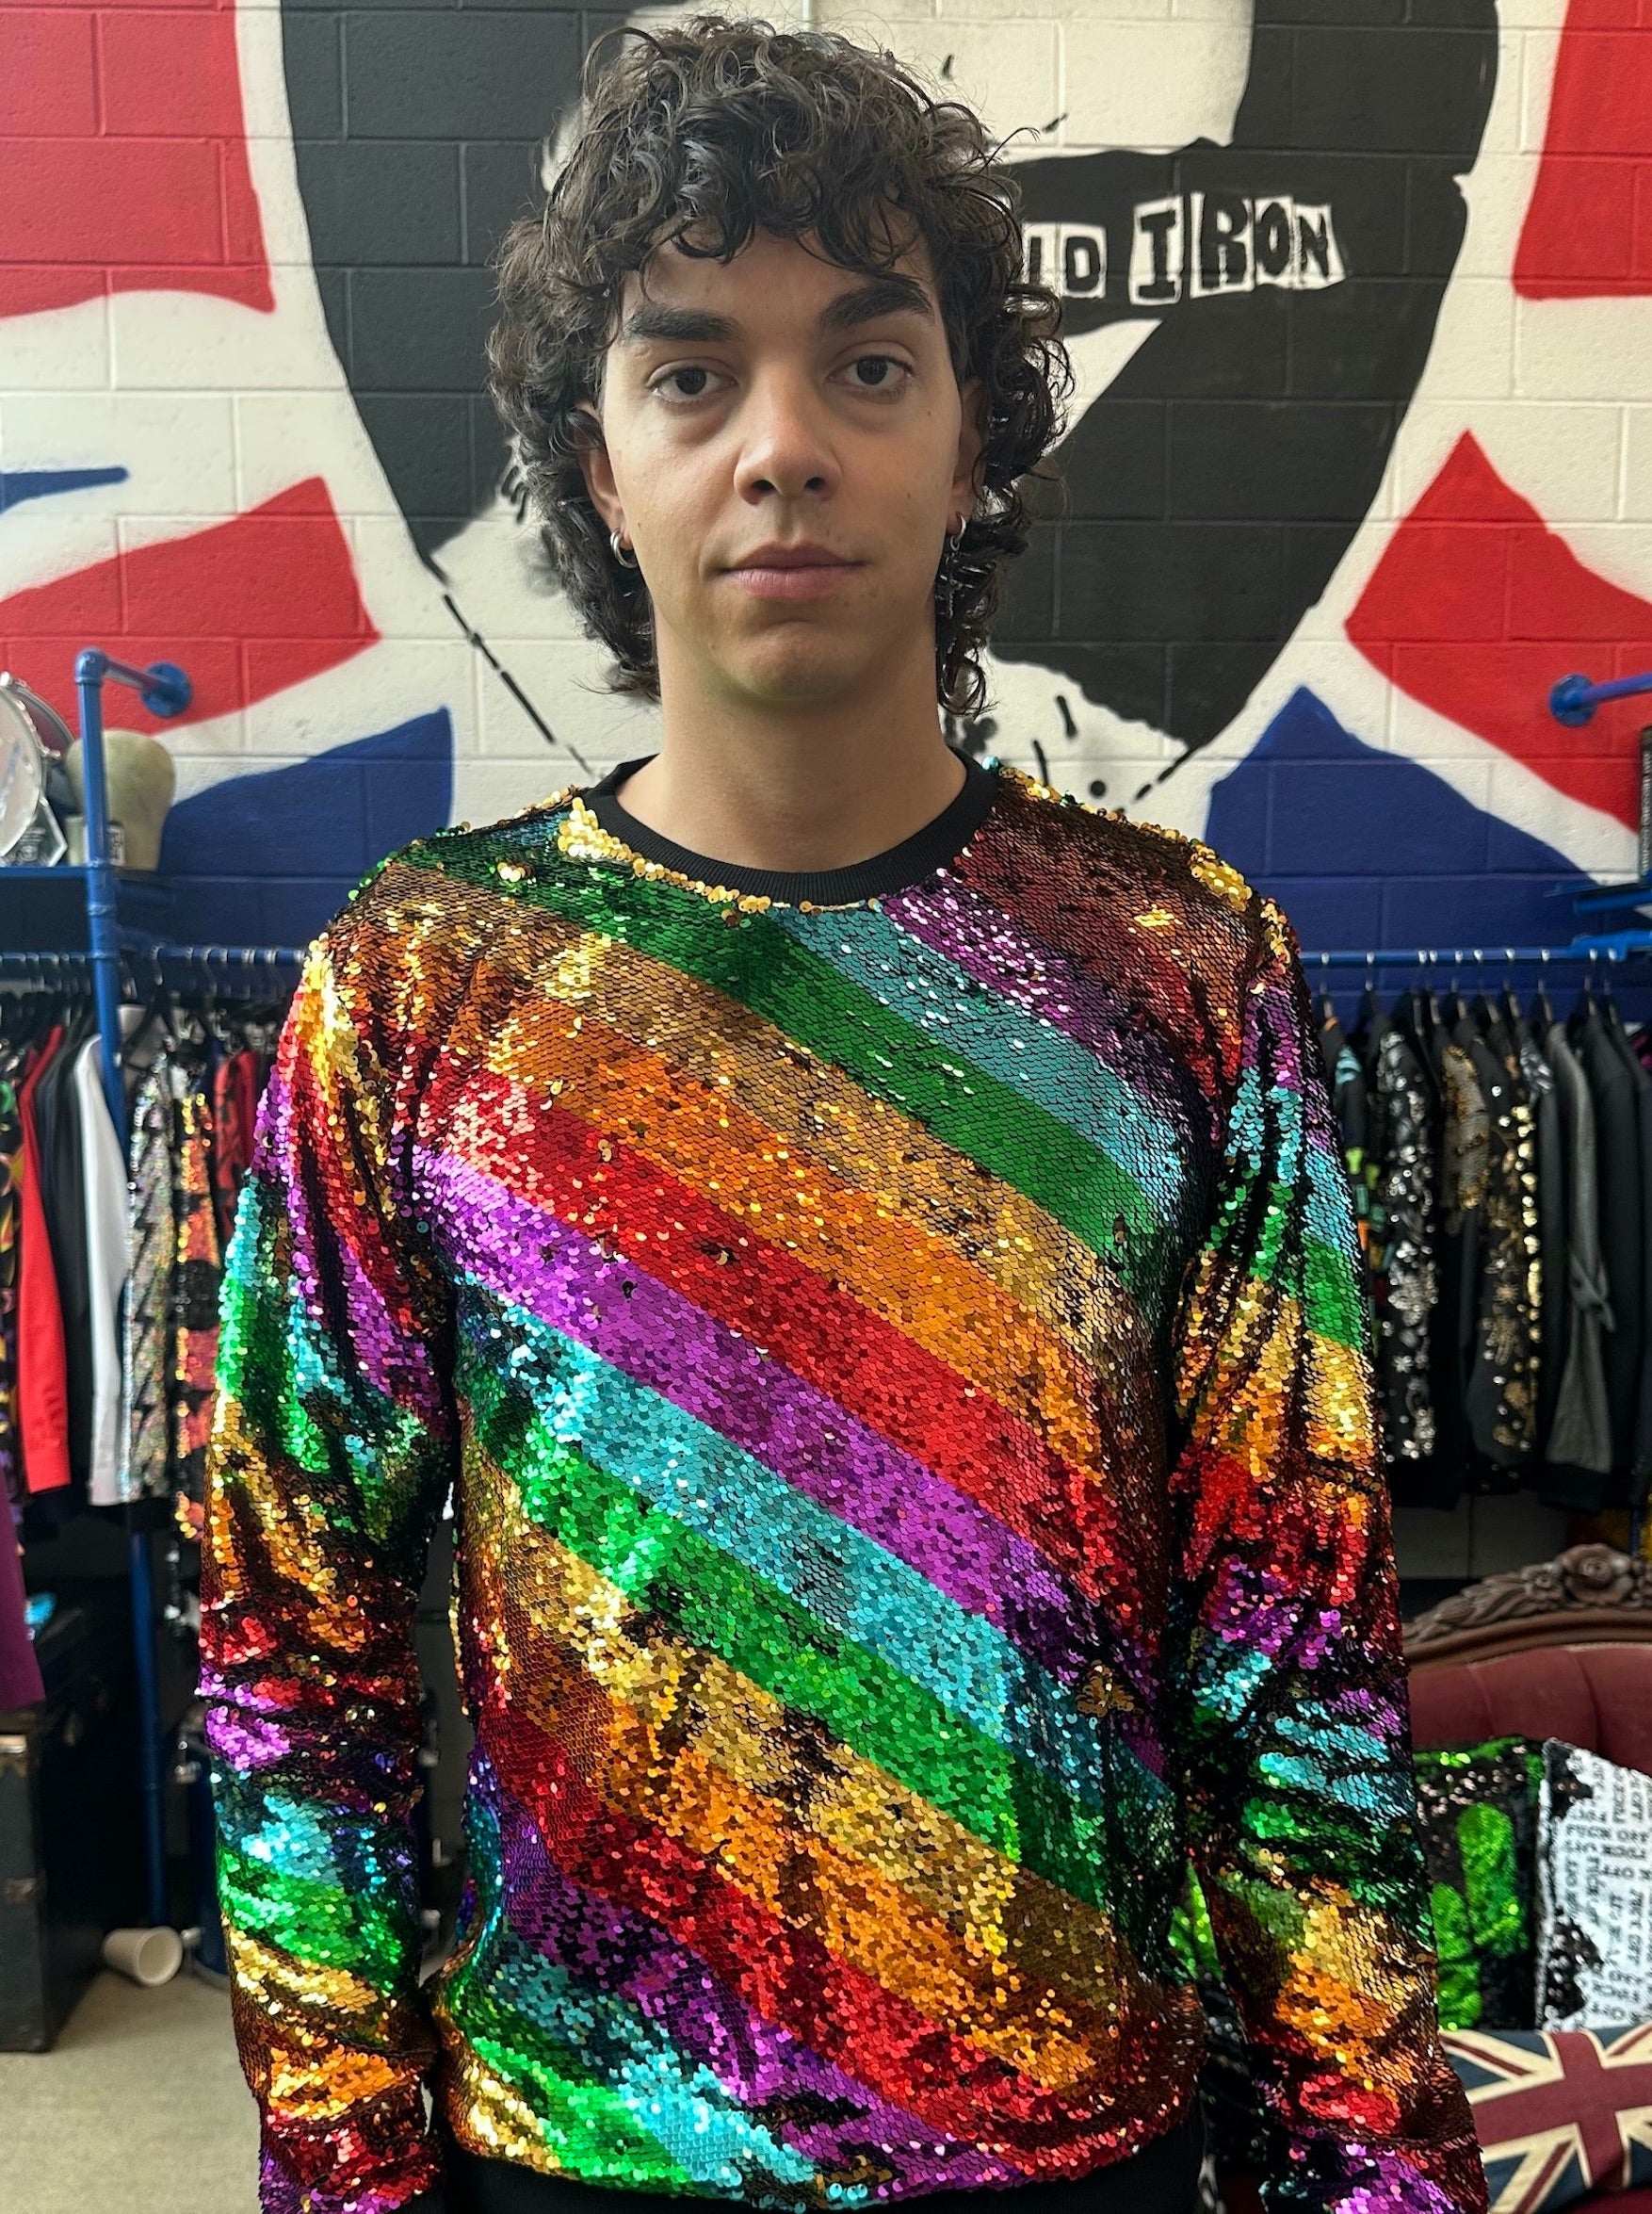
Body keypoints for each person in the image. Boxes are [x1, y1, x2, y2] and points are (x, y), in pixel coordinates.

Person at [199, 16, 1487, 2214]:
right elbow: (287, 1648)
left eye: (866, 365)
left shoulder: (1184, 975)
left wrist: (1368, 2163)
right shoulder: (418, 988)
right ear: (597, 459)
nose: (780, 445)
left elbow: (1294, 1657)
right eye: (693, 373)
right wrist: (344, 2163)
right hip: (575, 2151)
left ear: (971, 434)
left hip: (1076, 2145)